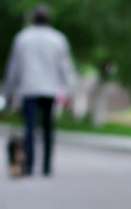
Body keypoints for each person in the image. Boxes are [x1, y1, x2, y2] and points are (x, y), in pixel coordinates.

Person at [3, 5, 76, 176]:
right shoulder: (58, 38)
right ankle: (46, 167)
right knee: (48, 128)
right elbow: (65, 67)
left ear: (33, 19)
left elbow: (13, 68)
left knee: (30, 128)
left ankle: (28, 165)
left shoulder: (22, 37)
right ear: (49, 20)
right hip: (50, 90)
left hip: (29, 88)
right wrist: (70, 91)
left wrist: (8, 92)